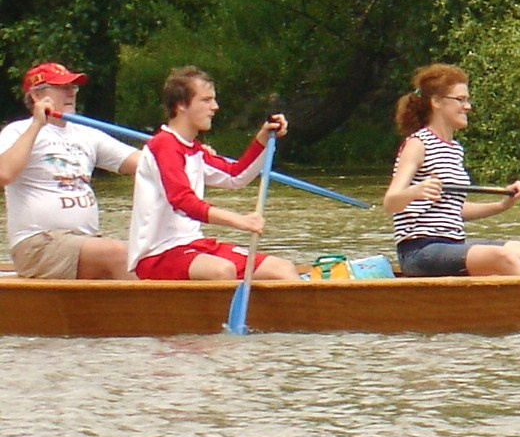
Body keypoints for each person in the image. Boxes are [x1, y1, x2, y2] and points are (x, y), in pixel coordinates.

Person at [128, 66, 297, 281]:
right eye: (206, 100)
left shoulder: (195, 150)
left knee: (283, 269)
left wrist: (262, 140)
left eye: (213, 100)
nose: (215, 107)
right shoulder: (164, 145)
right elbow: (182, 200)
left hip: (194, 245)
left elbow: (236, 176)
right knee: (221, 270)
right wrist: (240, 221)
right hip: (158, 255)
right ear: (181, 104)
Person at [383, 64, 520, 277]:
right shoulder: (417, 144)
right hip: (420, 251)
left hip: (451, 245)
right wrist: (416, 191)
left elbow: (455, 210)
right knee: (501, 257)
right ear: (436, 101)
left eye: (467, 99)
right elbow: (391, 202)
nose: (468, 107)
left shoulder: (454, 149)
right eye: (460, 99)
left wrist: (501, 205)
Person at [0, 62, 140, 279]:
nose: (71, 93)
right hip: (39, 243)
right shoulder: (18, 131)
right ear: (37, 96)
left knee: (144, 255)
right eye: (62, 87)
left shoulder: (86, 134)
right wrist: (37, 124)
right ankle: (149, 313)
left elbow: (146, 163)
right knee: (119, 253)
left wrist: (186, 152)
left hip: (84, 242)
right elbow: (4, 173)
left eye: (73, 87)